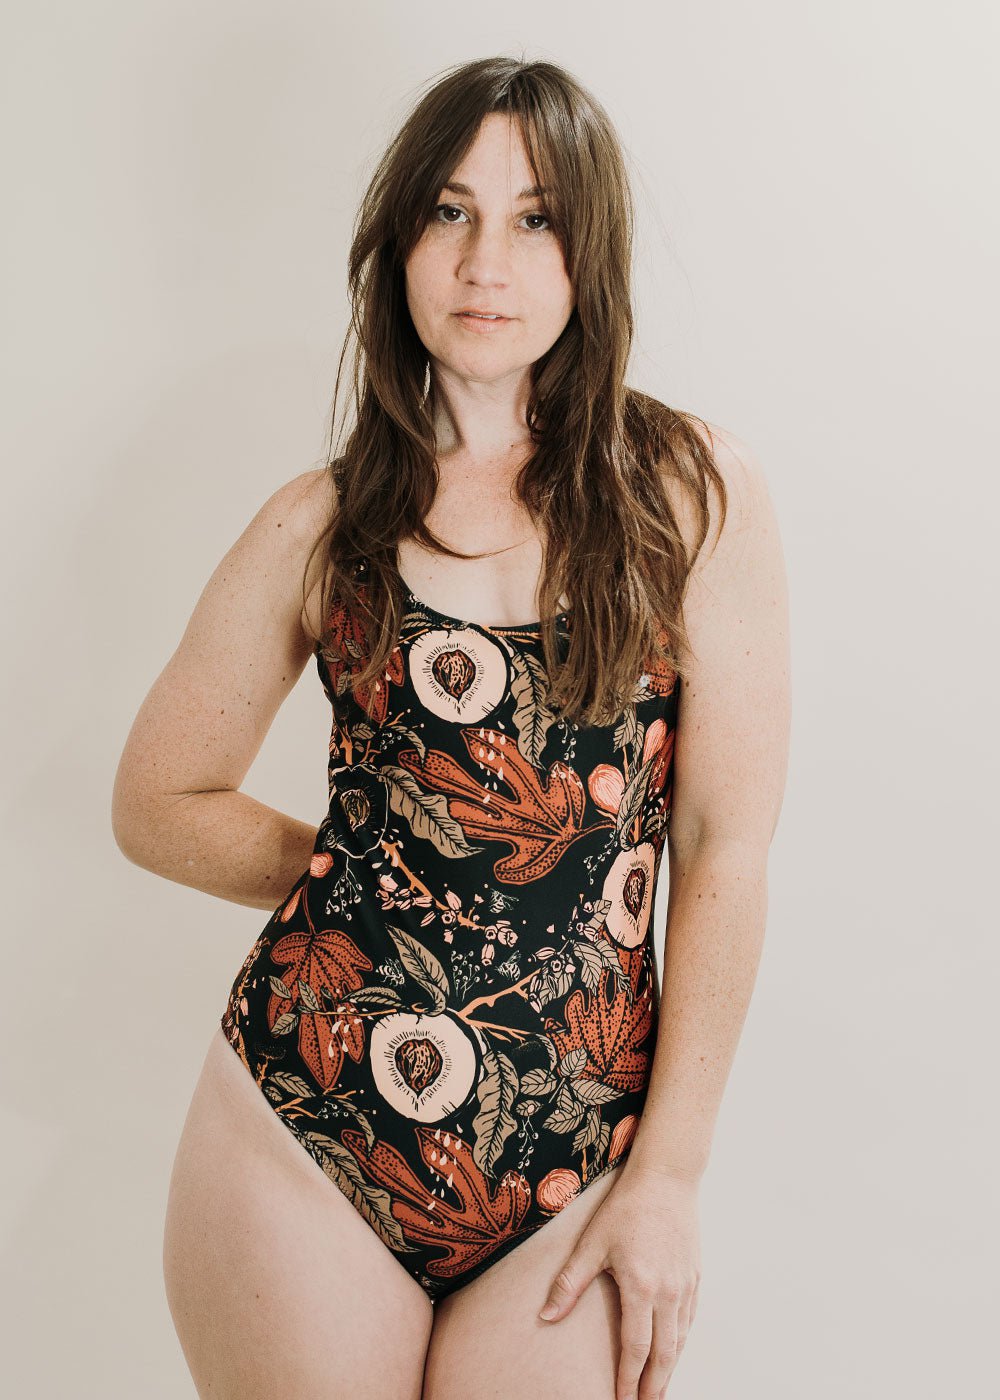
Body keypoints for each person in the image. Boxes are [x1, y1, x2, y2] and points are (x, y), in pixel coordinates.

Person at [113, 54, 790, 1400]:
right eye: (451, 212)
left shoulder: (688, 493)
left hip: (581, 1160)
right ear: (401, 241)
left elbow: (725, 846)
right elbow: (157, 802)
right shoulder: (320, 525)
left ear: (590, 254)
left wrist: (671, 1177)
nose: (488, 262)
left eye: (536, 218)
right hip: (309, 1131)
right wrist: (368, 876)